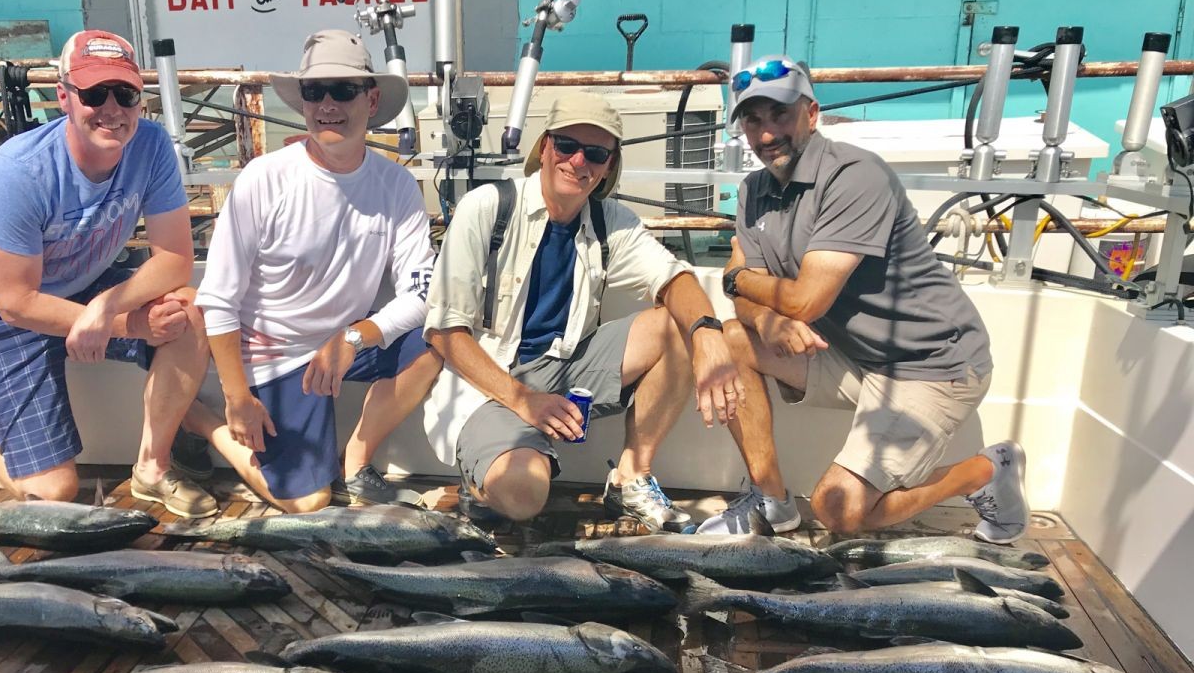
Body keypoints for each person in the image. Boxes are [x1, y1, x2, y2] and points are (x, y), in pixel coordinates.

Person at [700, 54, 1028, 543]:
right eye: (752, 120)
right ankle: (772, 502)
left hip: (932, 365)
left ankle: (986, 470)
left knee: (839, 509)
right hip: (855, 358)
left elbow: (804, 301)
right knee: (731, 339)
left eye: (780, 114)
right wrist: (762, 317)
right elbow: (750, 296)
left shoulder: (854, 175)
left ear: (812, 114)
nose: (766, 134)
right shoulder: (754, 189)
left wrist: (738, 280)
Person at [0, 29, 217, 519]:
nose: (112, 109)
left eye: (125, 94)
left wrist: (105, 306)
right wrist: (128, 325)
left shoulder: (152, 145)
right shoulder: (18, 171)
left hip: (84, 286)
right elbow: (17, 302)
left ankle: (152, 468)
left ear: (140, 99)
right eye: (95, 94)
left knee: (188, 311)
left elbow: (175, 260)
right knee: (52, 495)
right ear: (64, 96)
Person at [423, 92, 744, 532]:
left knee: (676, 325)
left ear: (609, 165)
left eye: (595, 153)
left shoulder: (611, 221)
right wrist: (523, 401)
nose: (579, 161)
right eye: (566, 145)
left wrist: (708, 335)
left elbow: (675, 278)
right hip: (491, 381)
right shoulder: (486, 207)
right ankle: (482, 482)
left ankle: (630, 478)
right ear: (544, 148)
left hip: (569, 367)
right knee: (523, 494)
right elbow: (445, 333)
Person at [190, 30, 441, 513]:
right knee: (309, 503)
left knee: (438, 339)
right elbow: (218, 299)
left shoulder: (397, 185)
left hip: (345, 344)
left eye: (343, 90)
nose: (327, 104)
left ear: (371, 100)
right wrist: (236, 397)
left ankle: (357, 463)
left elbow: (422, 293)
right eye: (314, 91)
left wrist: (354, 338)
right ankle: (202, 421)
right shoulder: (263, 178)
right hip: (274, 354)